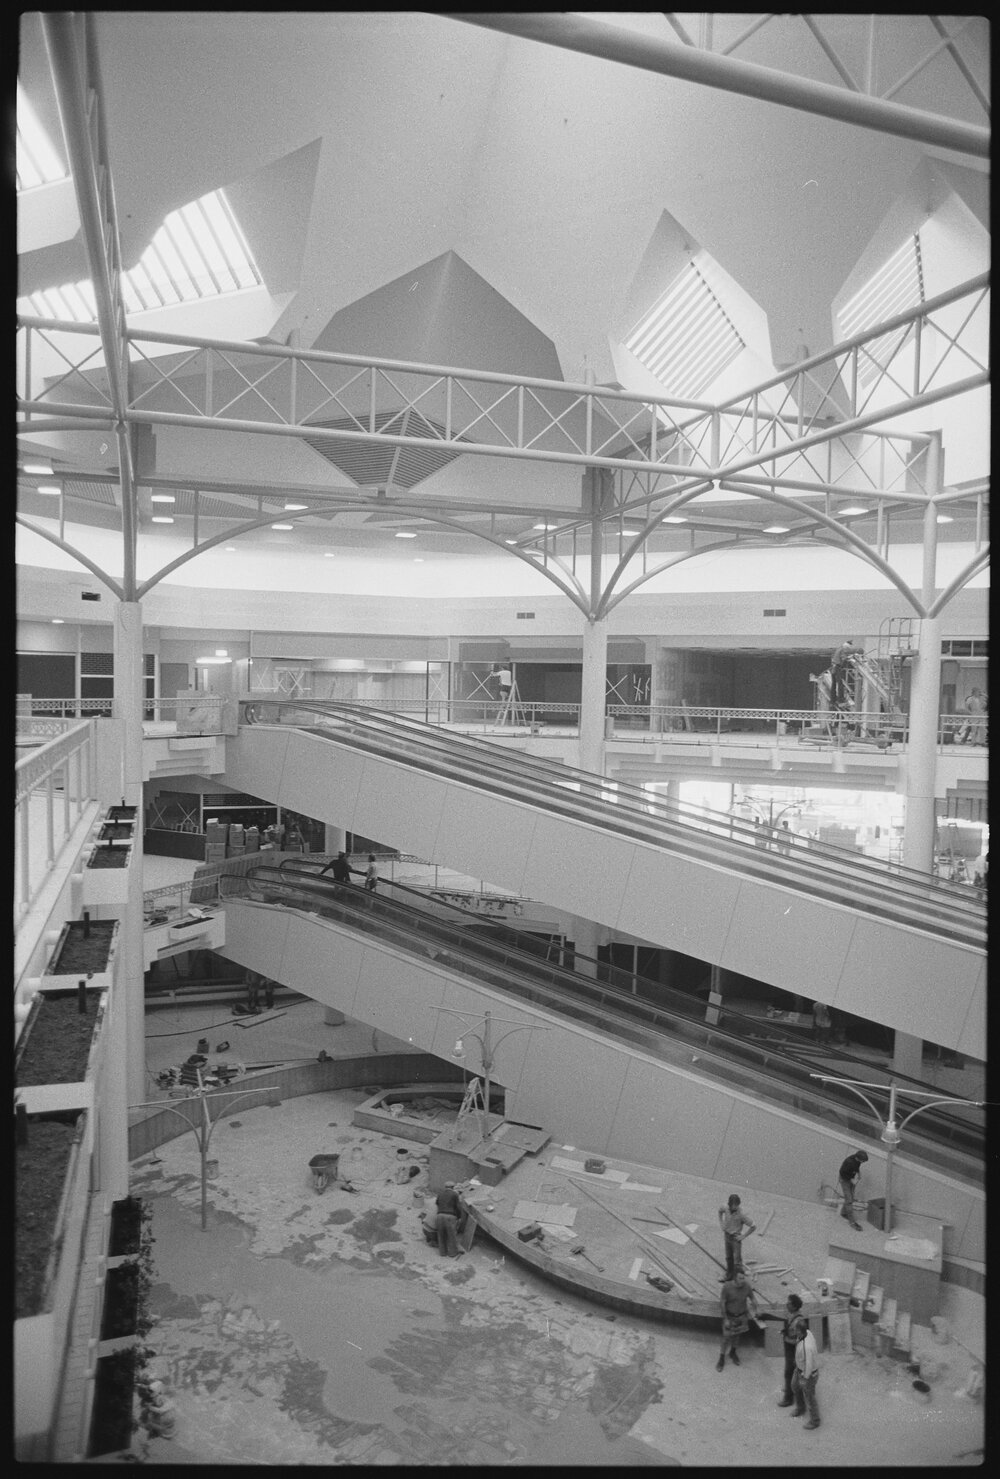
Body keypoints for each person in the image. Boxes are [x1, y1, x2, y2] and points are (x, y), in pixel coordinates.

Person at [757, 1292, 803, 1406]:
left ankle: (788, 1399)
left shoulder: (799, 1321)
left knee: (789, 1372)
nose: (786, 1304)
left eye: (789, 1303)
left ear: (794, 1306)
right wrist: (766, 1316)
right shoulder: (792, 1315)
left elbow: (801, 1338)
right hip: (789, 1346)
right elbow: (784, 1322)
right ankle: (790, 1389)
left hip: (793, 1349)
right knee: (790, 1372)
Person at [716, 1268, 758, 1370]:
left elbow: (752, 1297)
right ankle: (721, 1358)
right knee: (726, 1338)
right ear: (735, 1278)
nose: (742, 1280)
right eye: (740, 1278)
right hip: (730, 1316)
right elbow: (722, 1303)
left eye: (743, 1278)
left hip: (741, 1316)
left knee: (737, 1336)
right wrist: (725, 1318)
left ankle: (733, 1352)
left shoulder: (746, 1286)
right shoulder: (727, 1287)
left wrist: (755, 1304)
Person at [790, 1316, 820, 1427]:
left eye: (795, 1329)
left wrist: (805, 1378)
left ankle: (815, 1421)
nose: (793, 1330)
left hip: (808, 1374)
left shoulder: (806, 1347)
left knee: (810, 1397)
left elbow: (809, 1364)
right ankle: (801, 1408)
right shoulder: (807, 1333)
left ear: (799, 1331)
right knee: (795, 1386)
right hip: (799, 1369)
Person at [718, 1193, 756, 1279]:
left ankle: (738, 1277)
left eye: (737, 1205)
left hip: (735, 1238)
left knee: (737, 1260)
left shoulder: (741, 1215)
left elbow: (753, 1226)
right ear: (729, 1204)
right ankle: (729, 1274)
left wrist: (744, 1236)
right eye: (733, 1205)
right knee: (729, 1257)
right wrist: (721, 1223)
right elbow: (720, 1211)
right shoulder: (725, 1207)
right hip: (727, 1236)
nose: (735, 1207)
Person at [838, 1148, 868, 1230]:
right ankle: (852, 1222)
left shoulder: (856, 1160)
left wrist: (858, 1173)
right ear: (858, 1158)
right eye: (862, 1161)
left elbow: (857, 1166)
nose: (862, 1162)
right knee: (849, 1200)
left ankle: (844, 1213)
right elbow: (842, 1173)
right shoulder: (849, 1162)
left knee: (850, 1196)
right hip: (844, 1180)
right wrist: (851, 1180)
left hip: (850, 1179)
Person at [829, 639, 864, 708]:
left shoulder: (839, 648)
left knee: (834, 685)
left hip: (833, 668)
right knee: (840, 685)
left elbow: (840, 656)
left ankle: (832, 701)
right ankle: (841, 701)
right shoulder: (843, 650)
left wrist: (849, 656)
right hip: (837, 668)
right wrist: (851, 658)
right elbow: (843, 658)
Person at [434, 1182, 463, 1257]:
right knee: (451, 1236)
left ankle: (442, 1253)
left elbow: (437, 1203)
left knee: (441, 1235)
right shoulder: (455, 1194)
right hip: (450, 1216)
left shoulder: (440, 1193)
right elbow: (458, 1207)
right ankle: (452, 1253)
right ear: (453, 1187)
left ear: (445, 1187)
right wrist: (459, 1217)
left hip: (439, 1216)